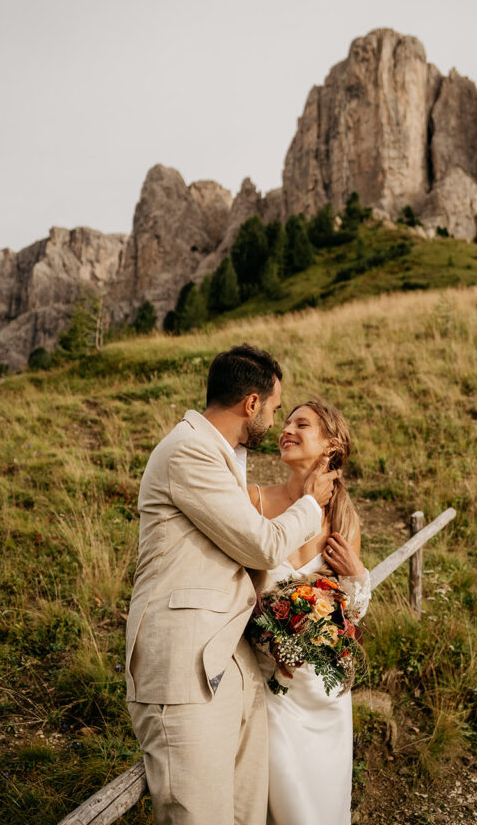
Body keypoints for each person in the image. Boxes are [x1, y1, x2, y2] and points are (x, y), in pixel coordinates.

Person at [125, 344, 336, 825]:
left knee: (245, 817)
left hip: (232, 665)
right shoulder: (189, 451)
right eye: (276, 408)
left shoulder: (224, 457)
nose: (277, 420)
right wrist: (310, 503)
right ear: (252, 404)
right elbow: (260, 545)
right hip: (183, 668)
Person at [247, 397, 371, 825]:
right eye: (286, 422)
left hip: (325, 691)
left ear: (330, 445)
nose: (286, 430)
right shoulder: (254, 502)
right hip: (273, 687)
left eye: (302, 424)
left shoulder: (343, 517)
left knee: (322, 806)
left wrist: (357, 575)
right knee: (286, 804)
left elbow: (350, 614)